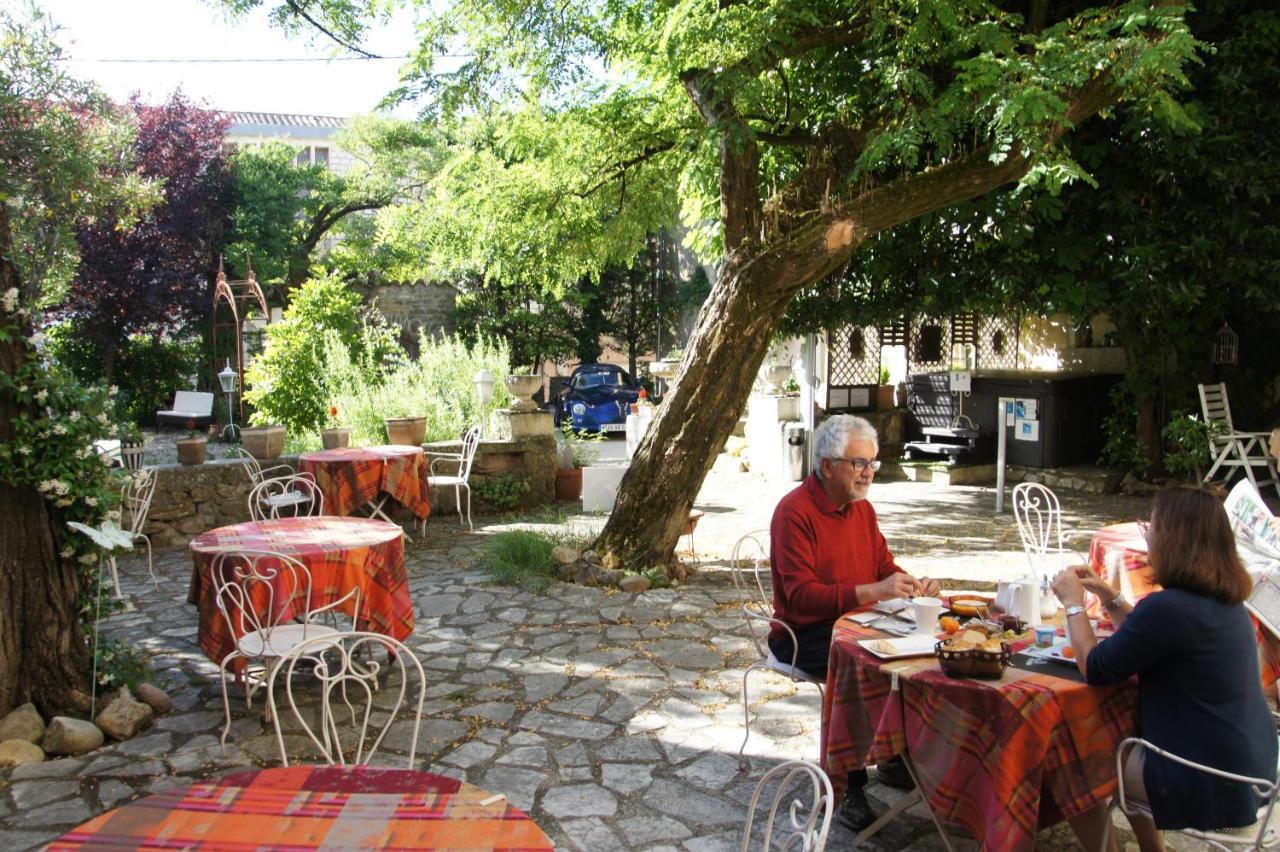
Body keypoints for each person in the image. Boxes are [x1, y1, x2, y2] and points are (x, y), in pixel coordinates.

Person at [1052, 486, 1277, 851]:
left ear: (1174, 539)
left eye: (1151, 526)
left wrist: (1074, 604)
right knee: (1113, 742)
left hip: (1207, 781)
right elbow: (1148, 634)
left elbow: (1095, 667)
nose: (1148, 535)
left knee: (1075, 760)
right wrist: (1110, 596)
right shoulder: (1227, 603)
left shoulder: (1170, 608)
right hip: (1254, 771)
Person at [769, 414, 940, 832]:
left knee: (922, 646)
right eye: (858, 463)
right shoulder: (795, 513)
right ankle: (849, 785)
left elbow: (882, 566)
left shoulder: (861, 510)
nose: (868, 473)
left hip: (857, 622)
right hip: (802, 633)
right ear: (827, 465)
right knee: (863, 664)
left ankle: (897, 753)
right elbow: (800, 597)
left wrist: (911, 583)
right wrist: (872, 592)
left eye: (872, 464)